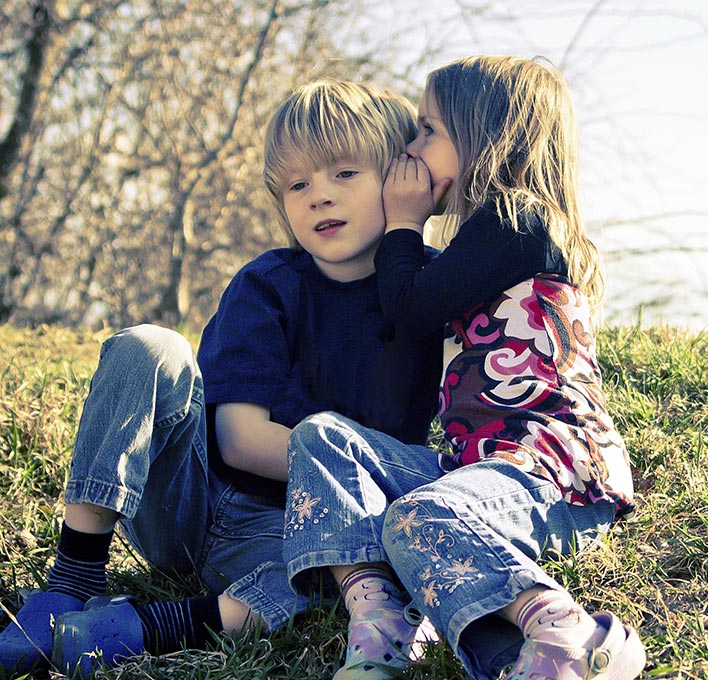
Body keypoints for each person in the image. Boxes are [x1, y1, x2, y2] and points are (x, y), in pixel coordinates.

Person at [0, 79, 443, 677]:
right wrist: (360, 471)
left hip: (301, 540)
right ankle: (72, 576)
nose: (318, 197)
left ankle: (149, 625)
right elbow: (238, 438)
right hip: (195, 504)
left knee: (377, 565)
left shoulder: (435, 296)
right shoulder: (269, 285)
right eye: (297, 184)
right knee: (148, 347)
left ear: (401, 180)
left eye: (344, 173)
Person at [282, 56, 647, 680]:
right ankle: (384, 623)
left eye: (427, 131)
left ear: (485, 138)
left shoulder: (519, 221)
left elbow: (407, 310)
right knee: (321, 438)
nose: (412, 150)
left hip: (553, 469)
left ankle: (573, 635)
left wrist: (401, 221)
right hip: (477, 468)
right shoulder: (489, 239)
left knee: (419, 514)